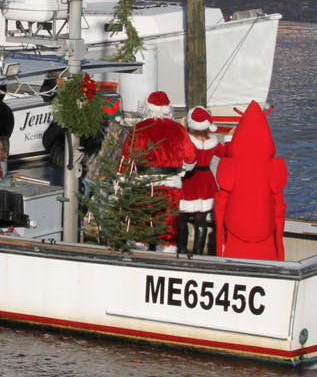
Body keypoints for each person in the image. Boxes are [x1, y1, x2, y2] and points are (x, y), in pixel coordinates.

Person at [120, 90, 198, 253]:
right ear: (168, 109)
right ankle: (166, 257)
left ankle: (138, 256)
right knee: (168, 227)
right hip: (170, 183)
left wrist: (122, 179)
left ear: (148, 108)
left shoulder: (139, 129)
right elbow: (191, 157)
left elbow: (127, 157)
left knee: (140, 224)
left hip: (143, 184)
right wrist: (183, 168)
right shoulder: (178, 129)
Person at [213, 101, 287, 261]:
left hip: (234, 237)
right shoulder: (274, 167)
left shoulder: (230, 166)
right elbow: (279, 207)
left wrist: (220, 247)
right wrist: (280, 254)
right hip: (266, 237)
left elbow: (220, 205)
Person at [175, 107, 228, 256]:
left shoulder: (187, 140)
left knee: (182, 217)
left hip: (190, 179)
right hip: (207, 181)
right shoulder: (213, 141)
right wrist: (230, 139)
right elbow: (226, 154)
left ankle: (182, 249)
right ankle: (198, 253)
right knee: (201, 219)